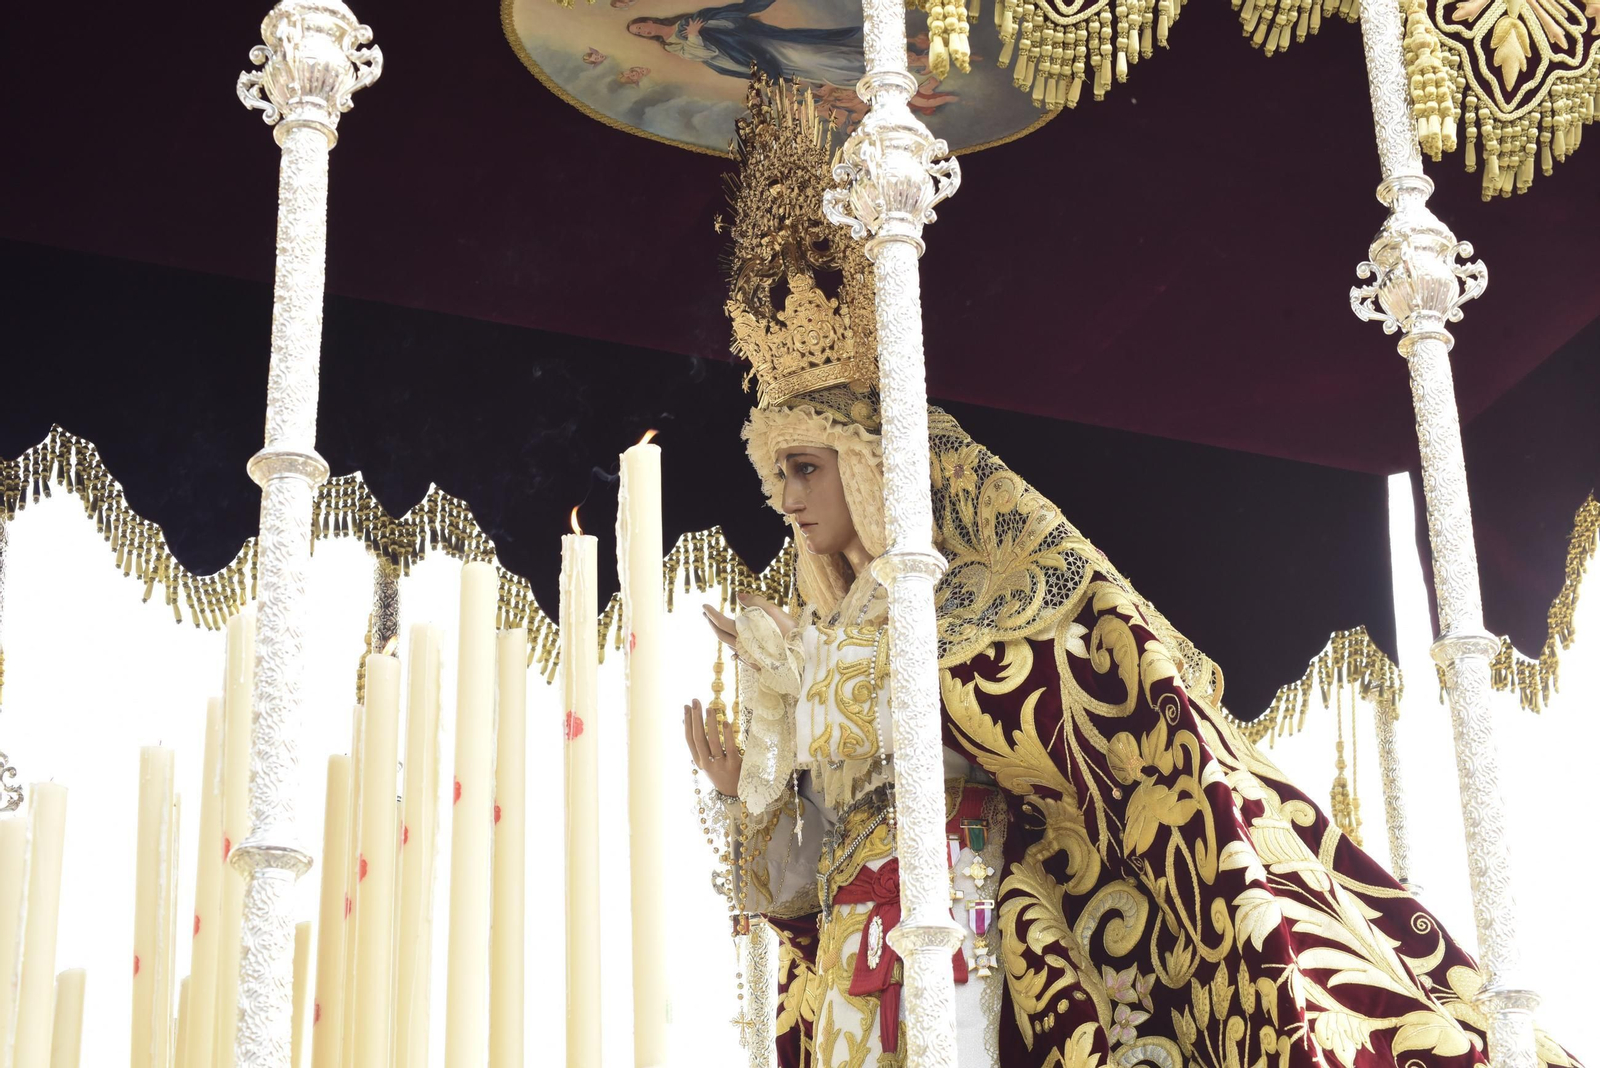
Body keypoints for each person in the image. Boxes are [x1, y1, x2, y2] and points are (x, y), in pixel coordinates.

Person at [683, 382, 1578, 1068]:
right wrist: (748, 791)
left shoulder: (947, 602)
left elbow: (1051, 707)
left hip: (962, 897)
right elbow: (810, 854)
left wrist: (869, 694)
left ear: (866, 462)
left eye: (807, 467)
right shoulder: (823, 629)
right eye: (777, 478)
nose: (789, 499)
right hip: (855, 936)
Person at [626, 0, 865, 87]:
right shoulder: (671, 45)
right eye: (640, 33)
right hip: (739, 56)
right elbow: (701, 54)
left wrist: (708, 25)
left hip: (750, 42)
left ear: (648, 20)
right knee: (801, 66)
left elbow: (726, 19)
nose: (644, 31)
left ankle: (863, 61)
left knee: (806, 52)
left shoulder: (684, 20)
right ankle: (856, 77)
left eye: (640, 26)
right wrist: (695, 35)